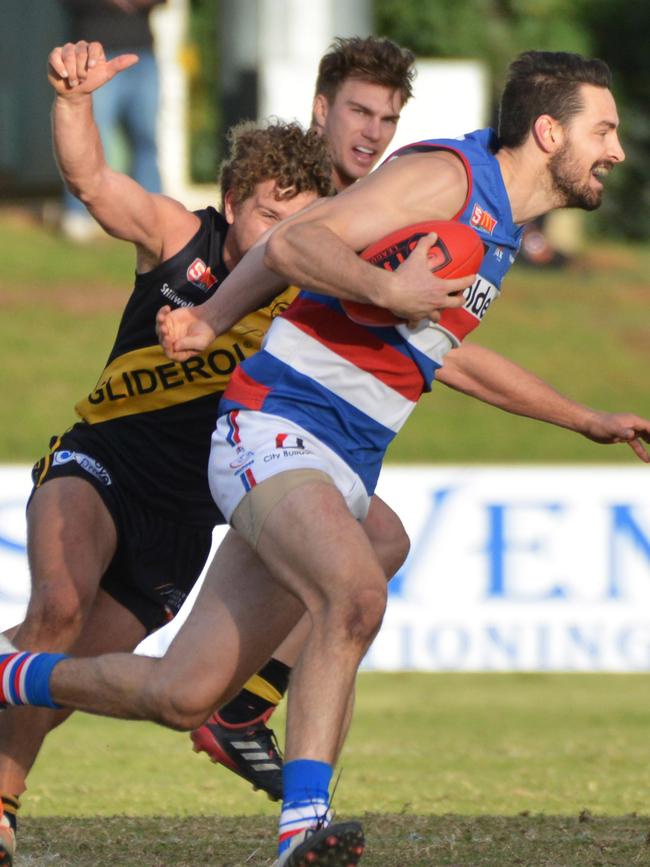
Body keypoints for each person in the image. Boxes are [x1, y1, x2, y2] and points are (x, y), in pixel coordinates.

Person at [3, 50, 650, 867]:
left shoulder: (499, 228)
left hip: (325, 464)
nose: (618, 150)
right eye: (606, 130)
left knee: (181, 690)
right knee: (354, 590)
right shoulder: (449, 177)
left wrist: (583, 417)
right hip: (266, 431)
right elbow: (296, 242)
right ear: (550, 130)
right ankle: (302, 827)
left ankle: (18, 673)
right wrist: (228, 317)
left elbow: (440, 353)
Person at [0, 40, 336, 865]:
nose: (277, 239)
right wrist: (74, 101)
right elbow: (94, 184)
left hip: (186, 521)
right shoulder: (180, 237)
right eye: (268, 213)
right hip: (98, 464)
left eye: (300, 222)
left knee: (66, 672)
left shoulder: (306, 301)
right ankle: (1, 807)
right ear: (232, 203)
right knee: (61, 610)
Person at [189, 32, 418, 797]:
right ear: (322, 109)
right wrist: (206, 320)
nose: (372, 133)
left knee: (380, 540)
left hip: (280, 431)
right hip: (220, 424)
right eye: (359, 110)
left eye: (387, 119)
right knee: (72, 616)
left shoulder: (383, 212)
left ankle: (244, 708)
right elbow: (275, 246)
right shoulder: (301, 192)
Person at [59, 0, 165, 242]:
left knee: (147, 139)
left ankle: (155, 213)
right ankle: (77, 215)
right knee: (88, 137)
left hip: (142, 54)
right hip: (93, 56)